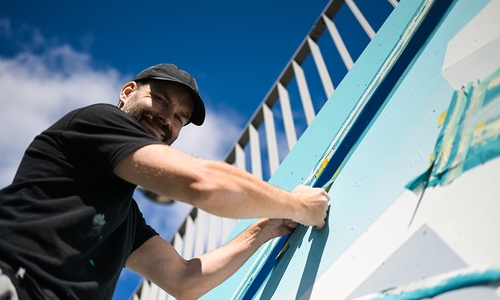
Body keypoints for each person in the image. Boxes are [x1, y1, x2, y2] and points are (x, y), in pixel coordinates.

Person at [0, 63, 330, 300]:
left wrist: (265, 228)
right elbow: (205, 184)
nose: (167, 119)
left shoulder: (123, 215)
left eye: (179, 118)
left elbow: (184, 281)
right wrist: (301, 207)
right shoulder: (97, 119)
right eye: (160, 100)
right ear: (128, 92)